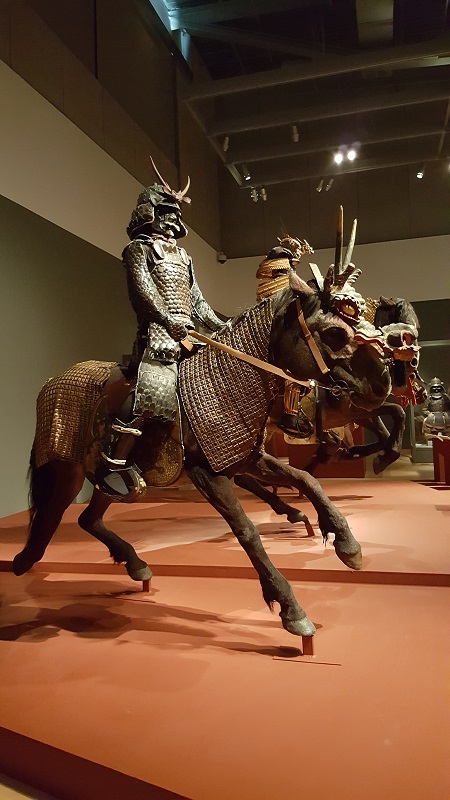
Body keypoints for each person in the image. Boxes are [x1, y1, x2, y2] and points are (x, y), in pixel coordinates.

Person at [95, 168, 224, 497]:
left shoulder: (183, 256)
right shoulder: (138, 249)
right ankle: (112, 464)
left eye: (174, 215)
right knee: (153, 393)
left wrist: (221, 325)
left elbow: (197, 300)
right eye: (164, 212)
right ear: (148, 213)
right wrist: (167, 320)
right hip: (157, 339)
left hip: (187, 338)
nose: (171, 220)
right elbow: (142, 293)